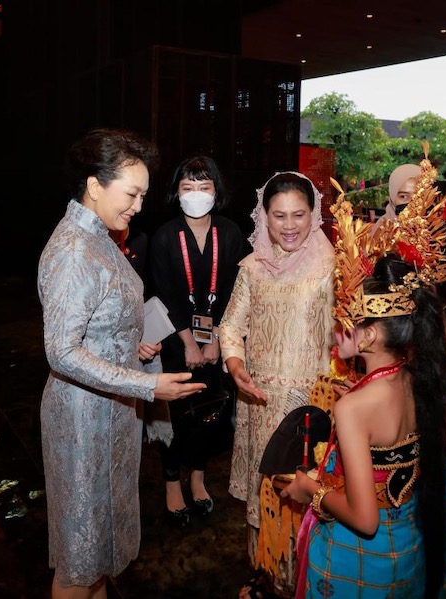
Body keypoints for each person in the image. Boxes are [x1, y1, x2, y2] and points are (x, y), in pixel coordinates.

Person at [37, 128, 206, 599]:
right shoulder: (75, 249)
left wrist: (132, 346)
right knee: (79, 559)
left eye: (143, 196)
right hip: (82, 420)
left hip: (110, 412)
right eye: (132, 194)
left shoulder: (99, 238)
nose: (138, 206)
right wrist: (148, 385)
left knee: (100, 553)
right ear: (94, 185)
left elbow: (99, 326)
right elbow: (62, 351)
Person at [282, 179, 446, 598]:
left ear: (367, 335)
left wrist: (310, 488)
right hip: (407, 544)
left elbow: (365, 519)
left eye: (343, 318)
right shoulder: (418, 377)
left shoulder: (355, 407)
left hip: (359, 557)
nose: (335, 328)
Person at [219, 171, 335, 597]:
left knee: (301, 492)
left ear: (314, 215)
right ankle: (266, 575)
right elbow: (231, 325)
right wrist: (234, 363)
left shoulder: (331, 268)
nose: (289, 226)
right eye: (279, 215)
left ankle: (298, 582)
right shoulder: (252, 268)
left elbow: (345, 336)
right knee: (265, 492)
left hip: (309, 408)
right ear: (263, 216)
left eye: (298, 215)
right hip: (260, 402)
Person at [149, 156, 244, 527]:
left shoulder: (230, 233)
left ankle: (198, 476)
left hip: (217, 337)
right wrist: (188, 343)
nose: (196, 194)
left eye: (203, 186)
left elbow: (234, 292)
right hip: (176, 340)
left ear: (216, 192)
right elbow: (164, 294)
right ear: (177, 192)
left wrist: (217, 339)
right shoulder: (164, 235)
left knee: (211, 410)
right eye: (187, 187)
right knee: (176, 413)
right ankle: (172, 480)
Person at [373, 163, 421, 229]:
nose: (411, 204)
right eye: (403, 196)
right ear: (393, 196)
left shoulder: (433, 227)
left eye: (418, 197)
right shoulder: (380, 229)